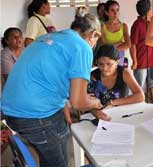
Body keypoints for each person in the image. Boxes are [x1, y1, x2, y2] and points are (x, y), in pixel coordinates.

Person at [1, 13, 103, 167]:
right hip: (35, 116)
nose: (94, 44)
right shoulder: (82, 47)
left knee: (56, 142)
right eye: (96, 39)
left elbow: (49, 78)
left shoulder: (50, 37)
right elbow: (78, 102)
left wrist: (72, 99)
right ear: (94, 34)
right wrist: (96, 103)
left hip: (10, 111)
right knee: (60, 158)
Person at [91, 44, 145, 120]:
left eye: (109, 64)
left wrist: (113, 102)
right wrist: (95, 112)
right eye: (101, 64)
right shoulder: (93, 76)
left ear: (117, 62)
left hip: (121, 114)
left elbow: (140, 96)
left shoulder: (124, 73)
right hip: (99, 116)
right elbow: (86, 100)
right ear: (96, 62)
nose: (105, 68)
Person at [130, 0, 153, 101]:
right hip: (141, 62)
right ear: (148, 11)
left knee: (152, 86)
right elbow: (132, 45)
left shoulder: (151, 23)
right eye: (150, 9)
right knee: (138, 88)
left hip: (151, 62)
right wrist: (135, 61)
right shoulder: (137, 24)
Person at [99, 0, 131, 67]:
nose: (116, 13)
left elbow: (128, 44)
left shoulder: (124, 26)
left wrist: (111, 48)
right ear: (106, 12)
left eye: (117, 10)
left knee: (119, 75)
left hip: (120, 58)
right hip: (106, 59)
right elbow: (103, 46)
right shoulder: (102, 27)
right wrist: (117, 44)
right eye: (112, 10)